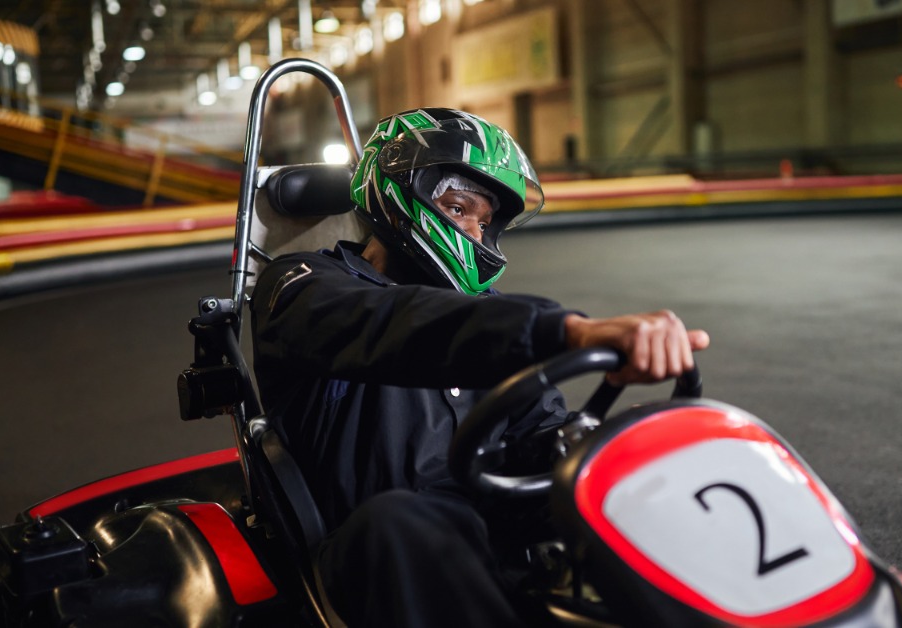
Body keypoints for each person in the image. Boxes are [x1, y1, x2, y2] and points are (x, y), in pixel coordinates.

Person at [250, 108, 708, 627]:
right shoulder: (302, 283)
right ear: (398, 187)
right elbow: (390, 325)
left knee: (649, 486)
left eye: (484, 221)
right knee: (399, 522)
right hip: (373, 549)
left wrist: (589, 447)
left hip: (490, 534)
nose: (473, 231)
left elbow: (536, 423)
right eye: (458, 207)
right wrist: (565, 330)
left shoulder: (487, 315)